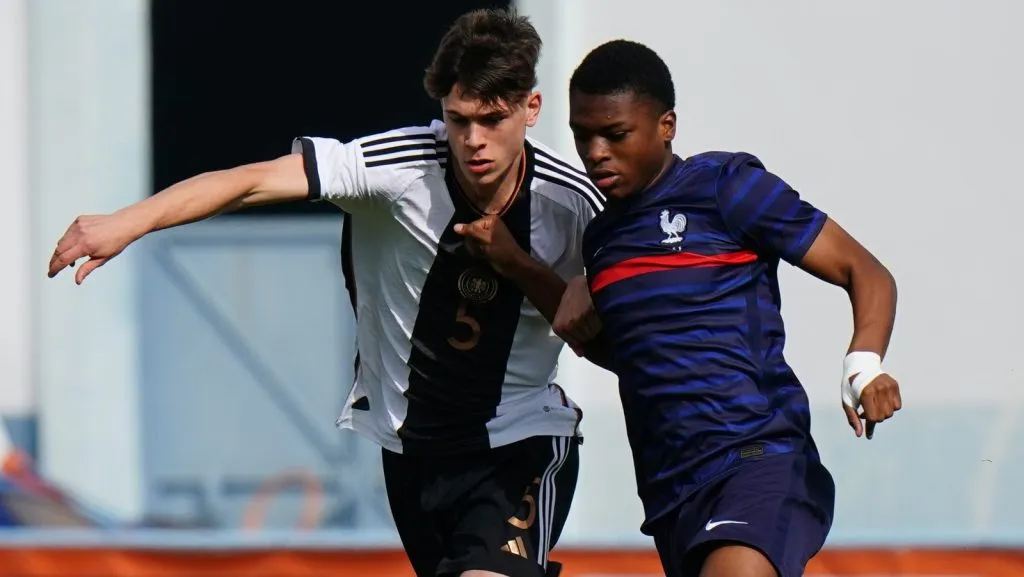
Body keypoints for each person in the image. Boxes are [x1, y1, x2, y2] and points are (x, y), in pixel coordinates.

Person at [47, 9, 607, 577]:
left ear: (531, 109)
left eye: (492, 119)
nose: (473, 141)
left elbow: (635, 283)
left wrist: (586, 281)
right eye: (458, 120)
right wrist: (128, 222)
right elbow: (253, 180)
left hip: (521, 439)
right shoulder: (398, 167)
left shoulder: (575, 204)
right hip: (410, 450)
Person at [552, 39, 902, 577]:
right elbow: (640, 356)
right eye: (583, 135)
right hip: (672, 489)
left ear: (666, 124)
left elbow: (865, 271)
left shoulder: (727, 188)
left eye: (615, 134)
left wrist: (864, 366)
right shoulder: (599, 240)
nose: (595, 151)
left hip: (760, 458)